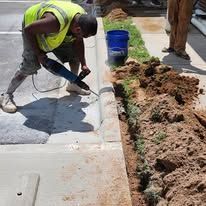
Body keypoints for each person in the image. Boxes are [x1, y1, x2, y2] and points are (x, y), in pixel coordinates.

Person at [0, 0, 98, 113]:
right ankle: (6, 95)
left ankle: (73, 84)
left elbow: (78, 41)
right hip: (32, 28)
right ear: (77, 29)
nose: (81, 38)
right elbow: (28, 30)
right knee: (30, 66)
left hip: (56, 30)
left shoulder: (81, 18)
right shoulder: (54, 22)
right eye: (82, 35)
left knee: (74, 55)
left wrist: (84, 64)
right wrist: (39, 53)